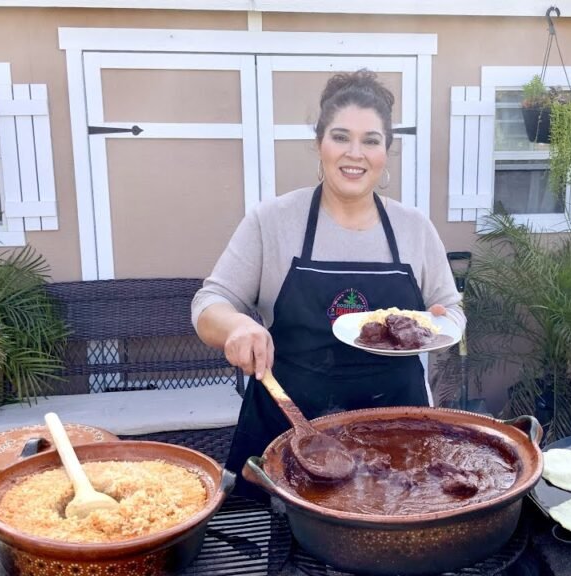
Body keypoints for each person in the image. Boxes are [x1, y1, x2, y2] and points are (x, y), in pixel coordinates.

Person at [192, 70, 465, 499]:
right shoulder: (273, 220)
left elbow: (450, 309)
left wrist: (441, 323)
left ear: (386, 152)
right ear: (319, 143)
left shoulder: (414, 228)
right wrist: (237, 327)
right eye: (340, 137)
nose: (354, 153)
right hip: (291, 433)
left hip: (398, 439)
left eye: (371, 140)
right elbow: (211, 302)